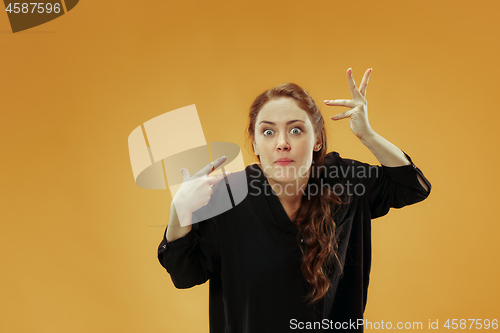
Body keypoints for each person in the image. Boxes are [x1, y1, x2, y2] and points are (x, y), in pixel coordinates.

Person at [157, 68, 431, 332]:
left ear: (318, 140)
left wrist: (367, 135)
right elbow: (185, 275)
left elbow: (413, 187)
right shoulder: (229, 194)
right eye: (268, 132)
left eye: (296, 130)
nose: (282, 143)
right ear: (254, 144)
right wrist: (180, 212)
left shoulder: (345, 179)